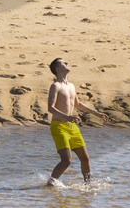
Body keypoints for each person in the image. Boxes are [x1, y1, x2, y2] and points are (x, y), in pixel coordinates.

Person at [45, 57, 109, 186]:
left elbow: (78, 104)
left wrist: (96, 113)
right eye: (63, 63)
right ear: (57, 69)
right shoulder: (55, 86)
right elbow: (50, 108)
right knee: (67, 160)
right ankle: (50, 184)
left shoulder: (71, 86)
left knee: (85, 158)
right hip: (59, 127)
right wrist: (67, 117)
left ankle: (88, 186)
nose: (67, 63)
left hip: (72, 126)